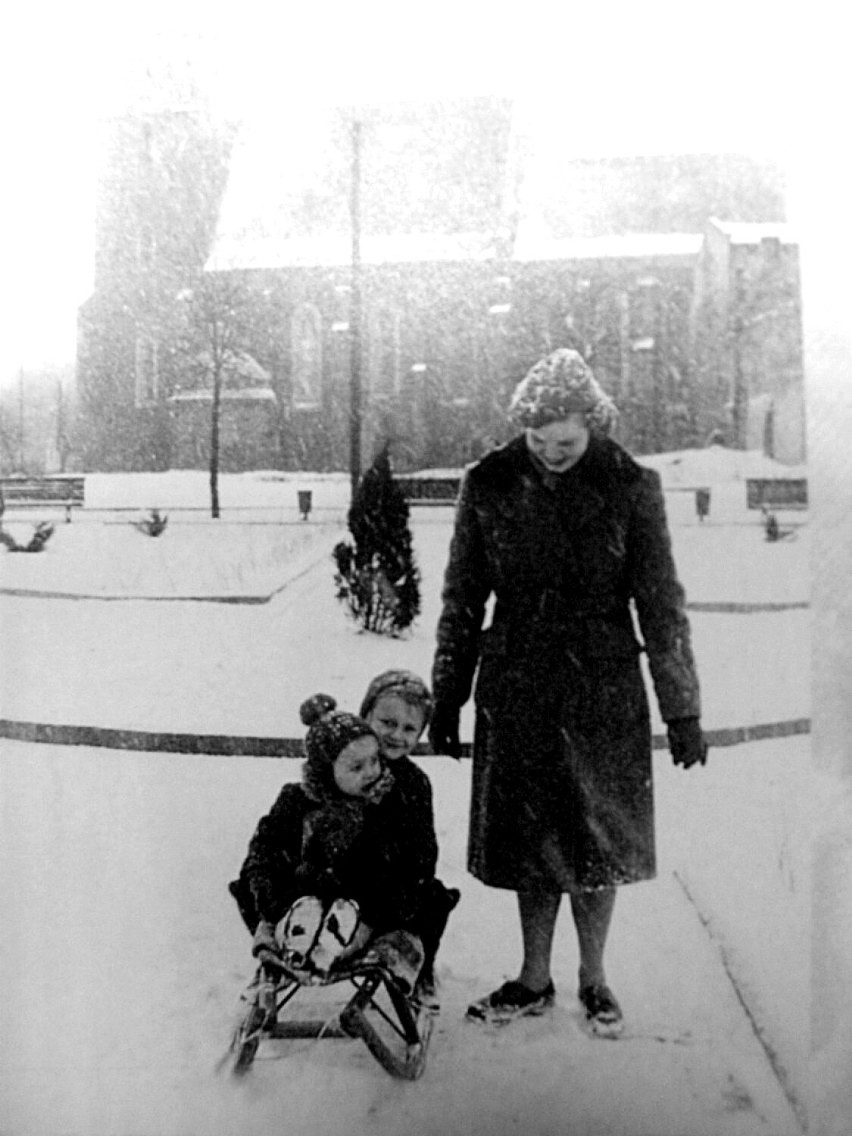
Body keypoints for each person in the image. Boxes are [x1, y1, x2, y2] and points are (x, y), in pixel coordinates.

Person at [429, 347, 707, 1035]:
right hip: (518, 677)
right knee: (529, 833)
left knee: (597, 833)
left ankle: (594, 976)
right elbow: (463, 596)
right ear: (523, 429)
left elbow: (661, 603)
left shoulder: (629, 485)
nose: (553, 454)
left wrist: (683, 708)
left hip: (601, 685)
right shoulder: (489, 483)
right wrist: (448, 693)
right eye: (540, 442)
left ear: (595, 427)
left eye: (569, 443)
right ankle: (531, 976)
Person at [359, 669, 460, 1002]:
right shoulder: (346, 767)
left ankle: (420, 968)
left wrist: (401, 889)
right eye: (387, 722)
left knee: (433, 900)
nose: (396, 736)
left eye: (409, 729)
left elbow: (422, 854)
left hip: (391, 889)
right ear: (366, 716)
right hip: (340, 883)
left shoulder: (415, 784)